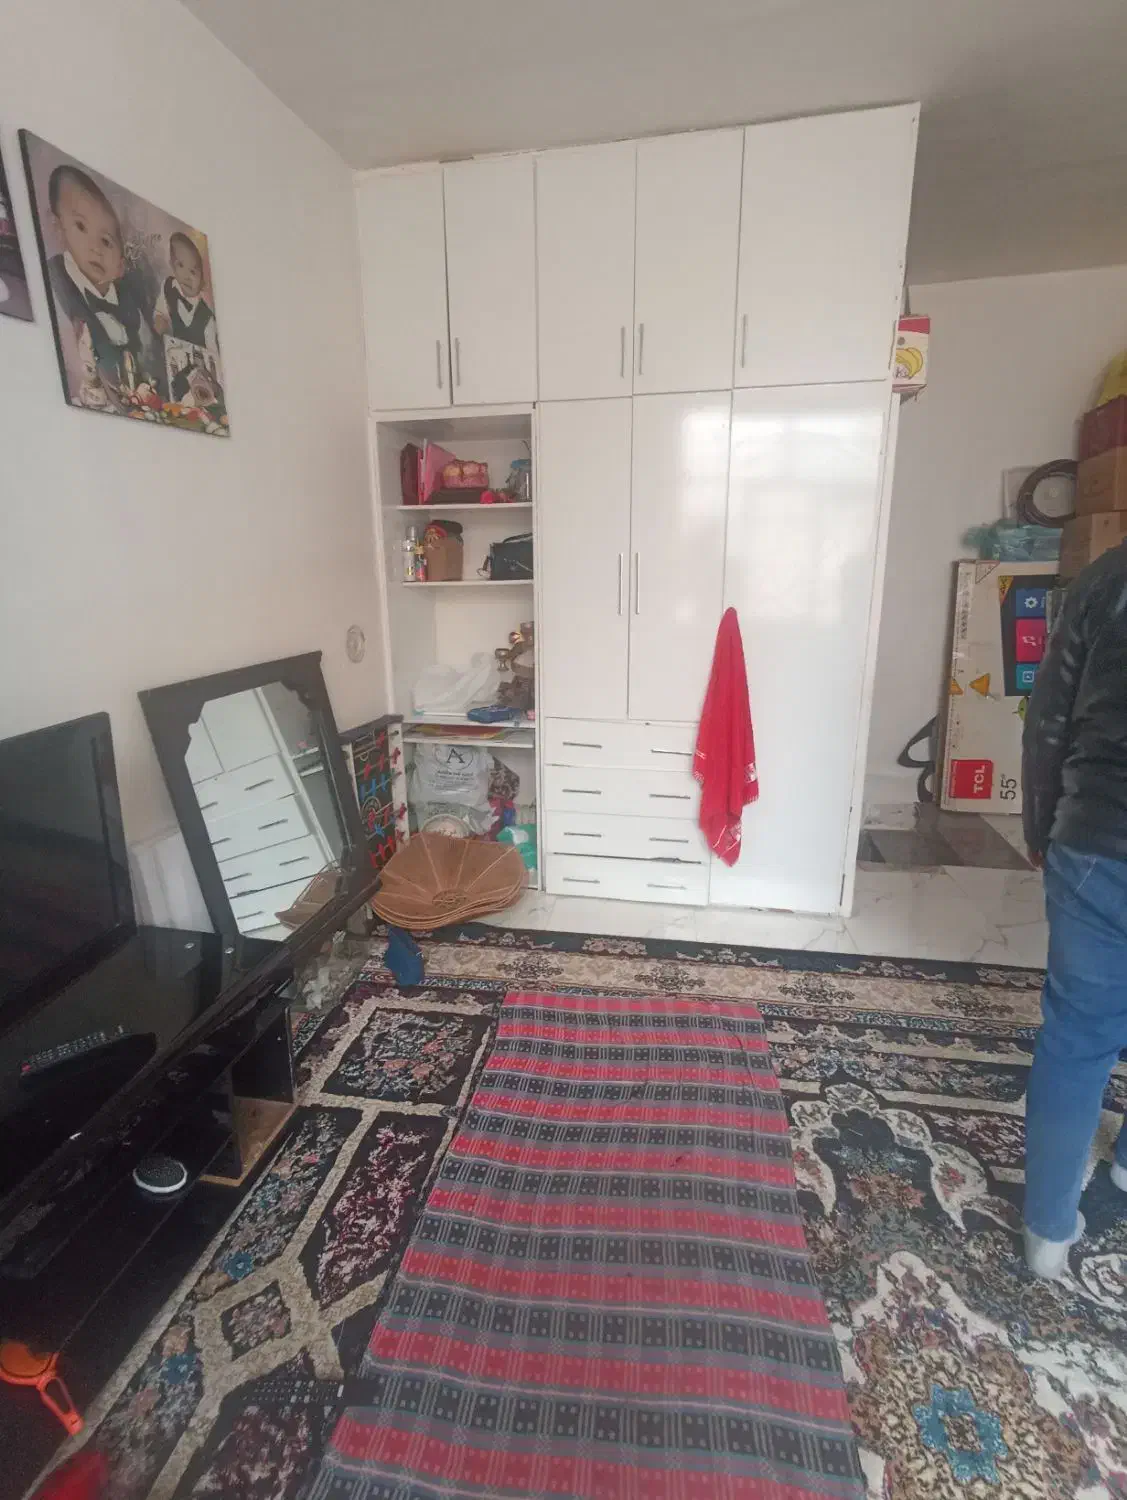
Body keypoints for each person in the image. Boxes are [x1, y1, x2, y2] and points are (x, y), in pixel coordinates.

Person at [1022, 538, 1127, 1278]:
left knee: (1076, 1036)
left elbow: (1048, 722)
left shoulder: (1108, 578)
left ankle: (1048, 1235)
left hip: (1096, 842)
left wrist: (1039, 828)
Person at [45, 163, 154, 398]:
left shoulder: (130, 298)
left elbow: (145, 352)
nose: (95, 248)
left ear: (121, 264)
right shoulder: (55, 283)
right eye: (81, 226)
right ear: (58, 228)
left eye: (106, 241)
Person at [153, 231, 219, 358]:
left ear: (202, 279)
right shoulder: (168, 286)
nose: (186, 276)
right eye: (180, 265)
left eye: (193, 271)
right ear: (172, 265)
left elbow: (213, 357)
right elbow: (160, 312)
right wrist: (159, 318)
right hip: (173, 356)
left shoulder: (207, 319)